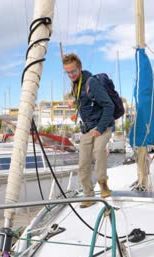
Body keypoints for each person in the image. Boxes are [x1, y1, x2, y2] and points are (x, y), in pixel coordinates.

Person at [62, 53, 115, 208]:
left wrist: (100, 128)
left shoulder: (92, 83)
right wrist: (75, 104)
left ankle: (103, 183)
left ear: (80, 68)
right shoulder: (76, 85)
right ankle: (88, 195)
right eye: (68, 73)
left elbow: (109, 105)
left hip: (102, 126)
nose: (71, 75)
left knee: (99, 150)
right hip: (87, 129)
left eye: (73, 71)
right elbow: (86, 102)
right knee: (83, 163)